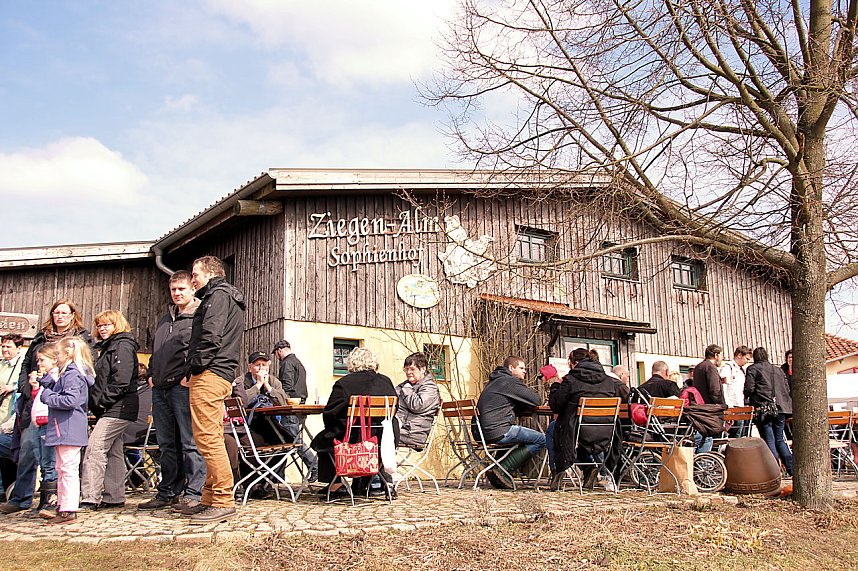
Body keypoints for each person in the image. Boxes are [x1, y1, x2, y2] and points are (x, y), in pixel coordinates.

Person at [1, 300, 93, 515]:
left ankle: (53, 502)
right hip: (36, 402)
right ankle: (21, 498)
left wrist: (48, 393)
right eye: (55, 312)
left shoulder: (78, 343)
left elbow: (73, 391)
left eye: (64, 312)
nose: (59, 316)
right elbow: (27, 365)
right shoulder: (41, 337)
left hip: (59, 413)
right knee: (28, 449)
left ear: (72, 315)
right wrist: (28, 387)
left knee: (56, 462)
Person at [138, 270, 206, 512]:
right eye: (173, 290)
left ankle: (195, 493)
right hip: (160, 388)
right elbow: (158, 351)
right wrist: (150, 375)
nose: (177, 294)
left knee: (190, 443)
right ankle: (168, 492)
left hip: (183, 387)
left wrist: (189, 377)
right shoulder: (165, 318)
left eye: (181, 289)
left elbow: (203, 350)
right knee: (167, 444)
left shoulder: (200, 315)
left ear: (192, 289)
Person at [184, 255, 245, 522]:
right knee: (210, 438)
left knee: (207, 439)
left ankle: (222, 499)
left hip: (210, 373)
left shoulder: (218, 296)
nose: (192, 279)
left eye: (195, 274)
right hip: (217, 372)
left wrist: (196, 367)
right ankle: (209, 497)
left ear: (209, 272)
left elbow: (210, 335)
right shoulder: (222, 295)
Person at [310, 347, 398, 497]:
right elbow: (395, 408)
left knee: (323, 440)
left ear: (352, 363)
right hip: (383, 438)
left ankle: (336, 485)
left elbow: (330, 414)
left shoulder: (344, 384)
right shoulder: (386, 381)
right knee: (364, 434)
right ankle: (366, 482)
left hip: (354, 437)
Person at [79, 310, 139, 511]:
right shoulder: (109, 346)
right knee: (113, 451)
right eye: (99, 325)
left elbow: (120, 380)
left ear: (117, 325)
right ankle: (114, 496)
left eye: (107, 325)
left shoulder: (122, 345)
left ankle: (90, 497)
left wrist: (101, 402)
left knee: (94, 449)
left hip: (118, 407)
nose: (102, 329)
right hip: (113, 407)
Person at [37, 337, 95, 523]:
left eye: (58, 354)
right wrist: (48, 383)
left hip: (69, 427)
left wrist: (47, 396)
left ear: (68, 354)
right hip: (64, 427)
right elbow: (62, 392)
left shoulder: (72, 374)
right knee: (62, 468)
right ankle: (63, 506)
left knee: (68, 469)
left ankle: (69, 509)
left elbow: (70, 400)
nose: (57, 358)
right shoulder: (68, 373)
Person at [549, 348, 623, 491]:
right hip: (606, 432)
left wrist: (555, 386)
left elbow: (556, 406)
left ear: (574, 363)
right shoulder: (609, 381)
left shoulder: (570, 380)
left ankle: (558, 472)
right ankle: (589, 470)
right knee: (577, 433)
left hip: (577, 431)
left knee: (554, 430)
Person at [473, 356, 544, 489]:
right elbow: (535, 400)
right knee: (541, 439)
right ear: (511, 368)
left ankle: (497, 469)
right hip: (498, 431)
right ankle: (502, 470)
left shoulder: (495, 381)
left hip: (481, 433)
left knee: (515, 438)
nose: (525, 371)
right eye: (521, 368)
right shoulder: (509, 382)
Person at [272, 340, 318, 482]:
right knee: (287, 440)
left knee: (292, 440)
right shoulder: (298, 362)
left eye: (276, 353)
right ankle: (278, 476)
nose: (277, 357)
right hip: (301, 405)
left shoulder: (287, 363)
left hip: (291, 406)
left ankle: (315, 466)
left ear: (280, 350)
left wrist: (279, 399)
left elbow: (287, 386)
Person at [745, 346, 793, 475]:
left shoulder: (753, 369)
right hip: (781, 408)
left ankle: (774, 471)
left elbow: (749, 389)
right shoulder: (778, 370)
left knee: (769, 439)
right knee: (779, 440)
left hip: (764, 408)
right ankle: (791, 469)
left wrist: (749, 397)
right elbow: (785, 389)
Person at [394, 352, 441, 448]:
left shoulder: (430, 388)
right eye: (406, 369)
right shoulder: (406, 385)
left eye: (412, 369)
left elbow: (417, 405)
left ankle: (384, 463)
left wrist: (407, 390)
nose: (408, 372)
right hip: (401, 428)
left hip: (413, 433)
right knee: (373, 429)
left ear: (423, 369)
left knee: (379, 433)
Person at [0, 334, 25, 496]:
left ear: (18, 348)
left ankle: (11, 487)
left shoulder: (21, 364)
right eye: (3, 346)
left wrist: (11, 386)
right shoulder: (1, 364)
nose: (4, 349)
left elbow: (23, 384)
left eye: (8, 346)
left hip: (12, 414)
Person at [720, 346, 751, 437]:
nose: (747, 361)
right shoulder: (728, 368)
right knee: (729, 434)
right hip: (731, 405)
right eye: (746, 358)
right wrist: (728, 405)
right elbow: (723, 387)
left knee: (738, 435)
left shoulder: (742, 371)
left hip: (739, 405)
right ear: (740, 355)